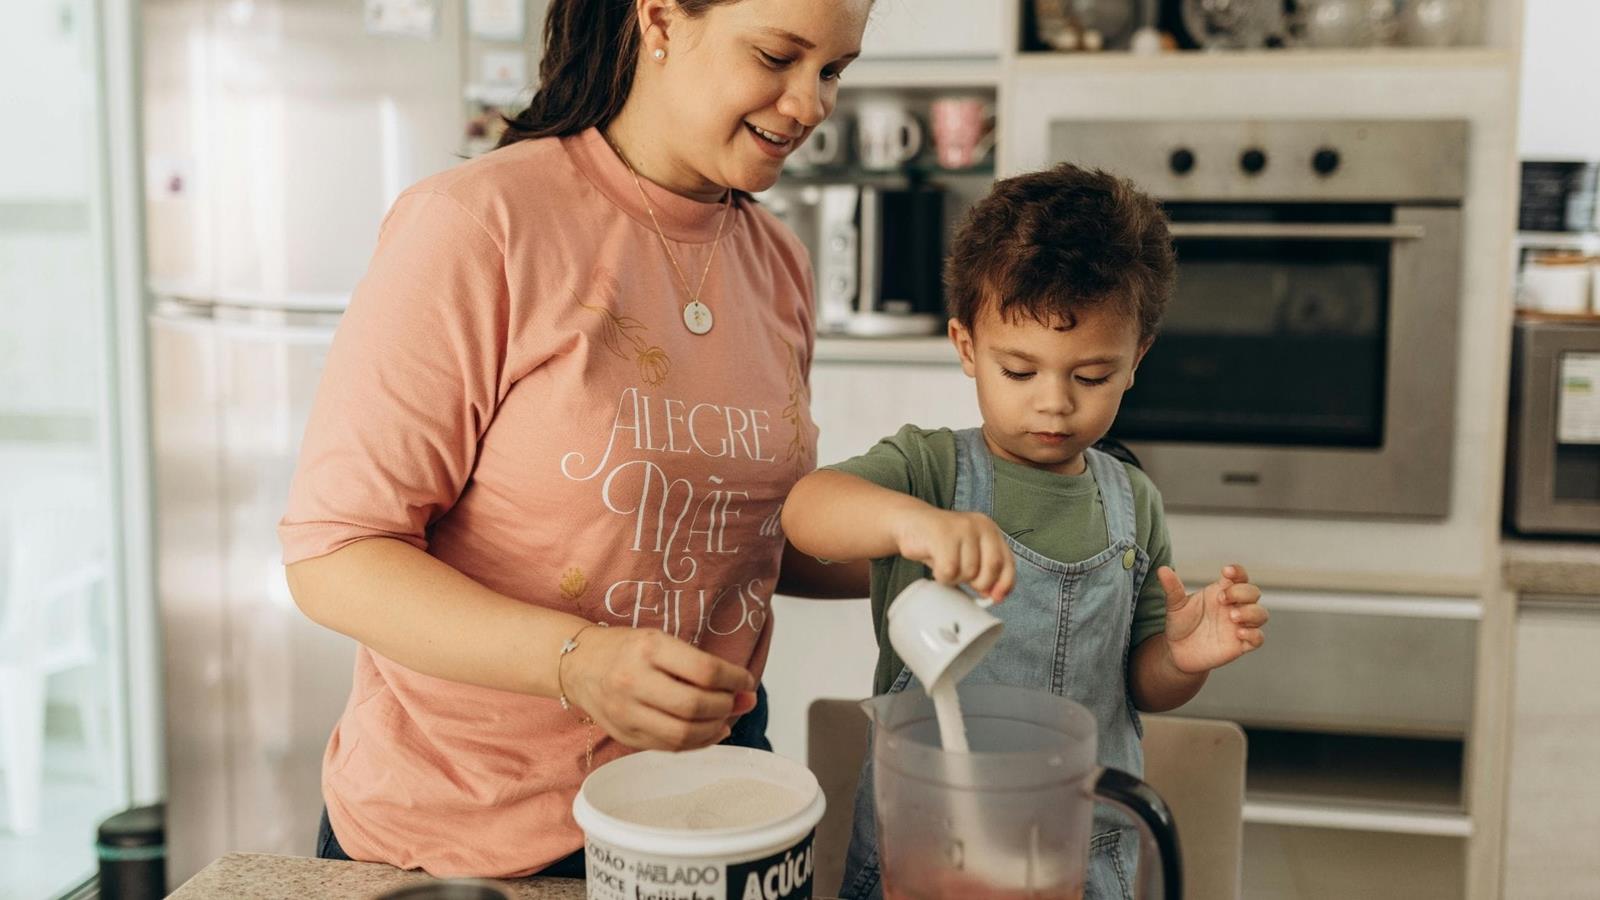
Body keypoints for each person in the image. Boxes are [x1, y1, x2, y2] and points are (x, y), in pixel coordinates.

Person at [278, 0, 871, 879]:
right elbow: (335, 552)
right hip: (468, 841)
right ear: (661, 20)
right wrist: (577, 662)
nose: (812, 103)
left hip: (706, 815)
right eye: (778, 56)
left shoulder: (776, 262)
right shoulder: (479, 225)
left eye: (832, 71)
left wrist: (944, 549)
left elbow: (729, 538)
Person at [781, 163, 1270, 900]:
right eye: (1019, 371)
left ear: (1136, 360)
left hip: (1080, 849)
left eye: (1091, 376)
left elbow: (1140, 683)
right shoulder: (929, 468)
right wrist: (911, 523)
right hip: (927, 843)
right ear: (967, 346)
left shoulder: (1134, 504)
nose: (1054, 404)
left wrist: (1183, 655)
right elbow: (807, 510)